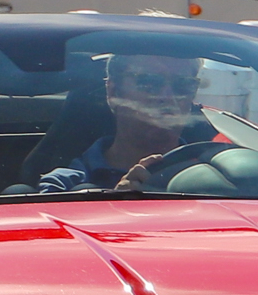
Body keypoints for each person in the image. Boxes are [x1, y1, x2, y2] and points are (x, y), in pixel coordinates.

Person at [35, 52, 223, 192]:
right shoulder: (64, 186)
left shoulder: (220, 176)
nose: (167, 96)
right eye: (149, 82)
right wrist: (116, 204)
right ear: (113, 92)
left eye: (183, 84)